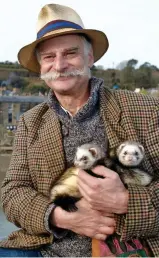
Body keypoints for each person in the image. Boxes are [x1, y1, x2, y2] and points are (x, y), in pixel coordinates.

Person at [0, 3, 159, 257]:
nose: (60, 65)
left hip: (132, 248)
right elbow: (12, 192)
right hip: (45, 249)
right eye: (49, 57)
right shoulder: (31, 122)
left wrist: (127, 202)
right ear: (41, 67)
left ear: (90, 57)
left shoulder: (146, 109)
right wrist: (62, 217)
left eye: (70, 53)